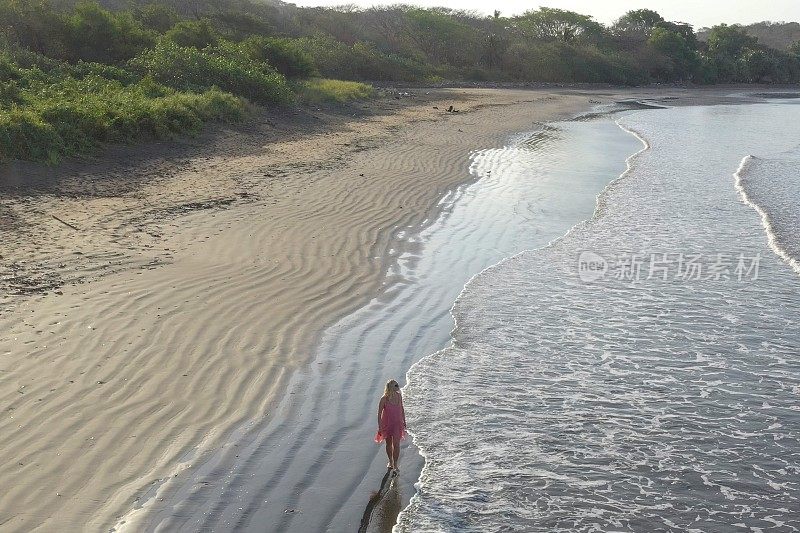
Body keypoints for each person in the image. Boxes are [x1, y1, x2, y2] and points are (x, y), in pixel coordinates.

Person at [377, 379, 407, 472]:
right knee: (389, 444)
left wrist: (404, 420)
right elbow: (379, 413)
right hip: (387, 424)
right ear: (390, 387)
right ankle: (390, 461)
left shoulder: (399, 396)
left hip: (397, 424)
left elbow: (401, 408)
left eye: (397, 385)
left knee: (397, 445)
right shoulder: (384, 399)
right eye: (396, 385)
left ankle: (395, 464)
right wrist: (380, 426)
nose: (398, 387)